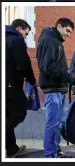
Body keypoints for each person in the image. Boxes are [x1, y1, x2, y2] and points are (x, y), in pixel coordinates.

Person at [36, 18, 75, 158]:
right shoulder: (49, 40)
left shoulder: (55, 40)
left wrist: (67, 75)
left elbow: (55, 65)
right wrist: (66, 75)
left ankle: (56, 151)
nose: (69, 34)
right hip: (52, 89)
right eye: (67, 30)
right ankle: (49, 154)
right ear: (59, 26)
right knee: (52, 123)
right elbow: (47, 67)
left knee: (58, 123)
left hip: (59, 89)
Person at [6, 19, 37, 158]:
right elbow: (24, 64)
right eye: (26, 33)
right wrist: (32, 80)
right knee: (19, 112)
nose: (25, 36)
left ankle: (11, 149)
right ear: (19, 28)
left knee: (7, 115)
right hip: (11, 83)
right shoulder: (15, 40)